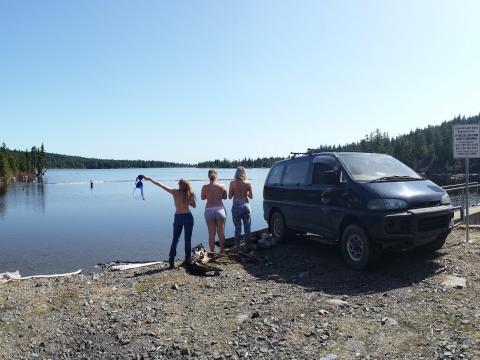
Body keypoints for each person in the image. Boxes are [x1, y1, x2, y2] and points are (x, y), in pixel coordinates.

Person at [143, 176, 196, 269]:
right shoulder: (190, 194)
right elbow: (194, 206)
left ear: (180, 185)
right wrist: (188, 201)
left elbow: (160, 185)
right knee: (187, 240)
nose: (178, 185)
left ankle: (171, 260)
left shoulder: (174, 192)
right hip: (188, 217)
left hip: (178, 217)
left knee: (175, 239)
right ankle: (187, 260)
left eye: (179, 183)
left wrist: (149, 179)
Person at [201, 169, 227, 255]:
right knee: (221, 231)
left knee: (211, 233)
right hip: (220, 210)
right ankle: (222, 252)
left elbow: (202, 198)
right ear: (216, 176)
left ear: (208, 176)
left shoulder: (204, 187)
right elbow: (225, 197)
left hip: (209, 210)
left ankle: (212, 253)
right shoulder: (222, 186)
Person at [228, 167, 253, 248]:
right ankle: (248, 245)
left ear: (236, 173)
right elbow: (251, 196)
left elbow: (229, 196)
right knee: (247, 227)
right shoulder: (248, 183)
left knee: (237, 228)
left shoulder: (232, 183)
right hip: (246, 205)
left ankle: (238, 247)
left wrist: (234, 191)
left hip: (236, 206)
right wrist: (247, 192)